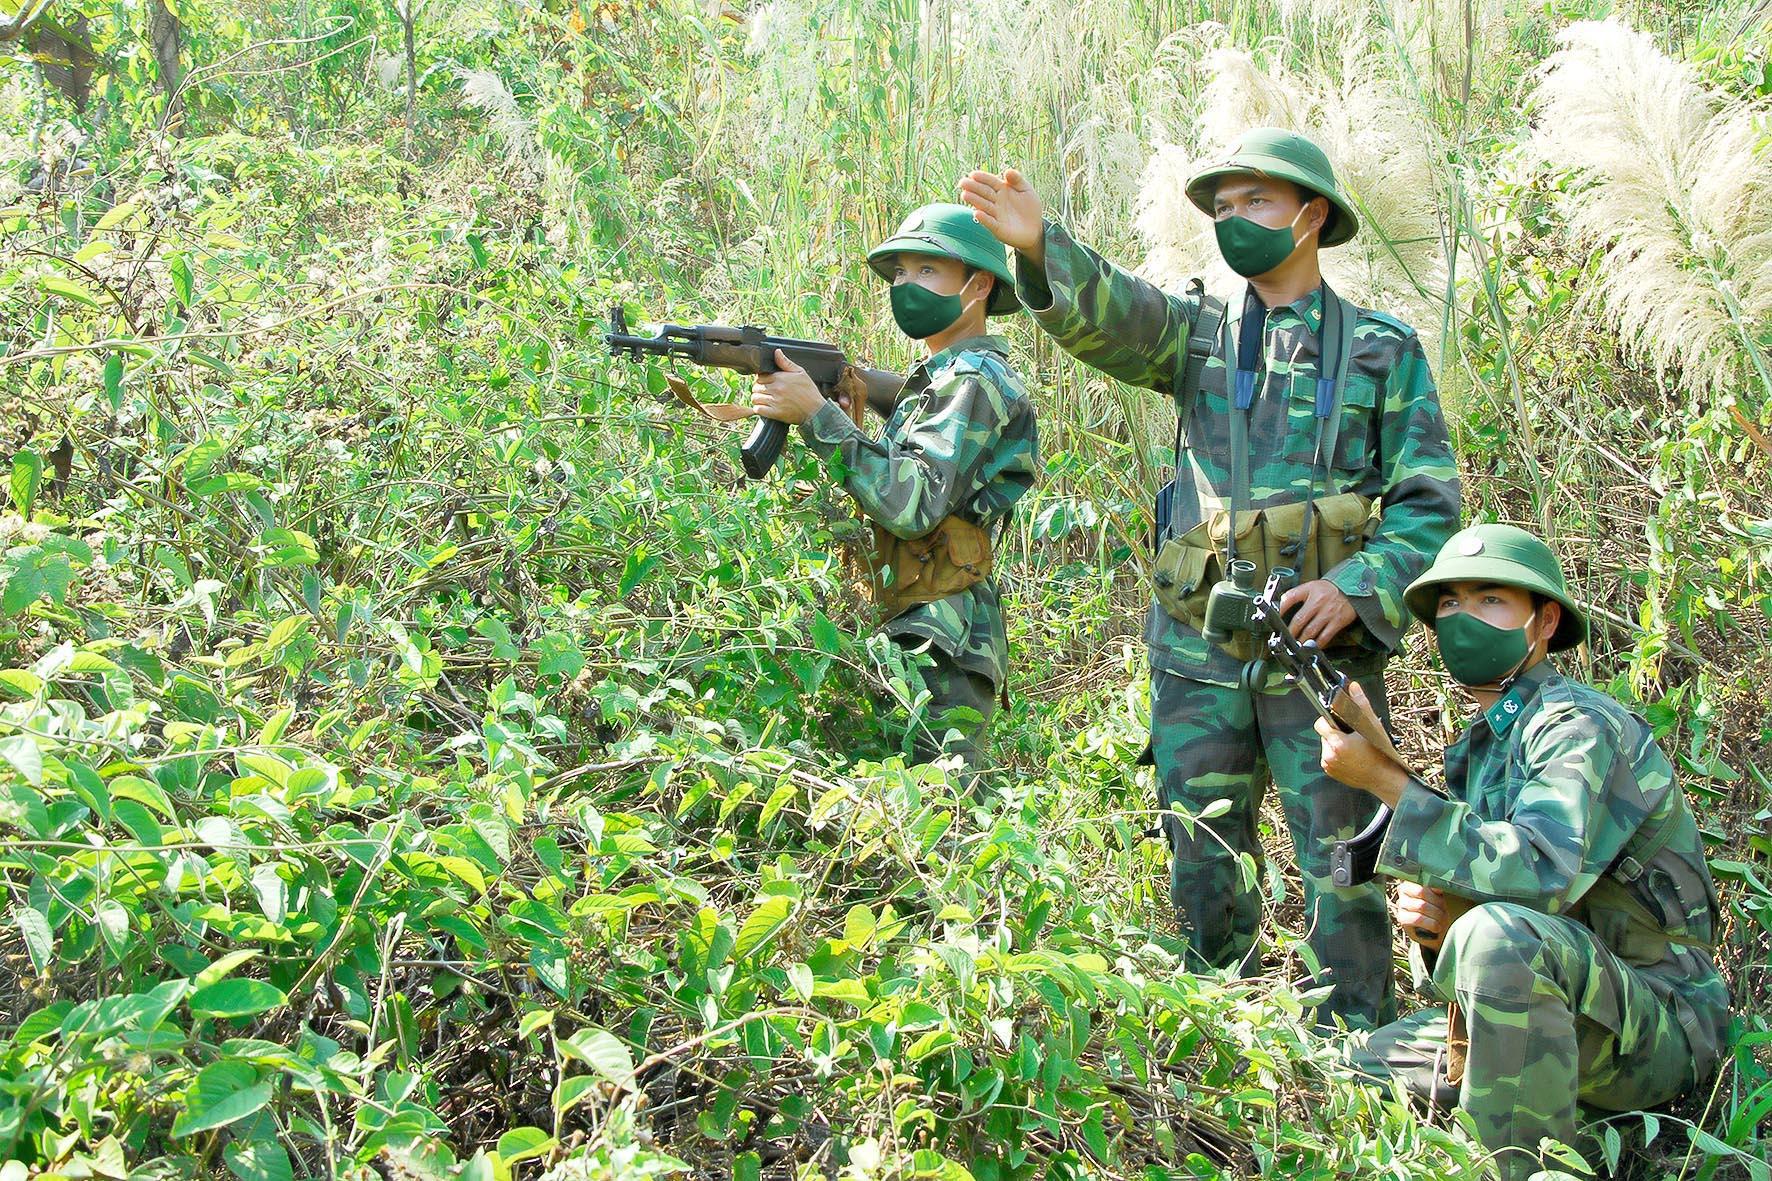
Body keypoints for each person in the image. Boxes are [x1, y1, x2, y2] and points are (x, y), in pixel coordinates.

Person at [960, 130, 1459, 1025]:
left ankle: (1355, 1050)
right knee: (1199, 851)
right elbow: (1114, 317)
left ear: (1311, 216)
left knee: (1341, 864)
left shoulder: (1383, 350)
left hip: (1323, 655)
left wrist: (1356, 584)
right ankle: (1212, 1037)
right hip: (1199, 653)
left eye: (1254, 203)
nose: (1233, 221)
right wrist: (1042, 246)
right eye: (1221, 208)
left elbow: (1430, 508)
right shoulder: (1199, 335)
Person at [1318, 524, 1729, 1180]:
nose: (1464, 617)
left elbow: (1541, 875)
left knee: (1498, 935)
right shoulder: (1486, 746)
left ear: (1544, 622)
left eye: (1491, 600)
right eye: (1449, 602)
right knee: (1345, 1068)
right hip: (1569, 1002)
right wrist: (1435, 927)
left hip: (1662, 1021)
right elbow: (1481, 950)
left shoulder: (1578, 728)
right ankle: (1582, 1137)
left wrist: (1387, 783)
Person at [750, 203, 1038, 775]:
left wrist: (816, 416)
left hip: (944, 634)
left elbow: (912, 504)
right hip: (910, 618)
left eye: (927, 271)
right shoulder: (939, 381)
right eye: (900, 273)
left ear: (978, 285)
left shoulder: (975, 382)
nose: (907, 286)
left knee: (946, 824)